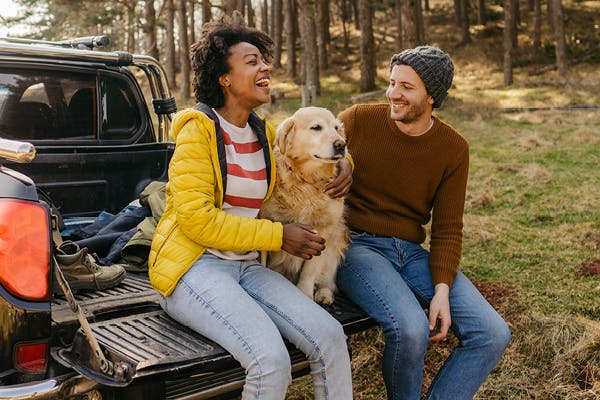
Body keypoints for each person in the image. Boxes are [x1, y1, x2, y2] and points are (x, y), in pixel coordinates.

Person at [148, 15, 353, 400]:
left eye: (264, 60)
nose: (266, 68)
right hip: (194, 268)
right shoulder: (198, 131)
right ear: (224, 78)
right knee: (270, 359)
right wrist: (279, 235)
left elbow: (309, 151)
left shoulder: (263, 133)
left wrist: (346, 166)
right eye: (252, 61)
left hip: (246, 265)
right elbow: (198, 221)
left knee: (329, 337)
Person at [336, 45, 511, 400]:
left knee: (492, 332)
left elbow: (448, 228)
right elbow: (314, 148)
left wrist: (442, 289)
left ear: (431, 96)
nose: (393, 94)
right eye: (392, 82)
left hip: (411, 252)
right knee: (410, 328)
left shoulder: (452, 148)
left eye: (406, 87)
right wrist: (341, 163)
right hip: (356, 246)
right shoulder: (357, 119)